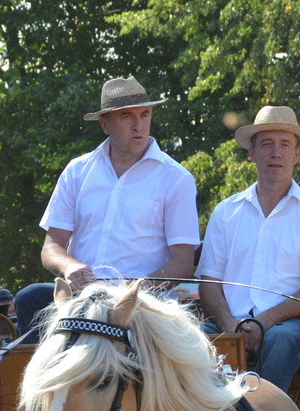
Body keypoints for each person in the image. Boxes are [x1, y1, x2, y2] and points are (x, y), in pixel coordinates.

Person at [15, 75, 200, 332]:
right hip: (82, 298)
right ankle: (37, 373)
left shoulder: (176, 178)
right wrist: (69, 266)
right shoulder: (77, 171)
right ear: (105, 124)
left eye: (144, 115)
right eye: (127, 117)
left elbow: (182, 261)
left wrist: (137, 290)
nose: (139, 125)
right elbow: (51, 246)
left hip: (143, 302)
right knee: (29, 298)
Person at [196, 105, 300, 393]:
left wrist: (263, 322)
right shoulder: (226, 212)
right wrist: (230, 326)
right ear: (252, 153)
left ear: (297, 155)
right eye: (266, 144)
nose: (275, 153)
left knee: (281, 341)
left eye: (284, 145)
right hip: (228, 323)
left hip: (285, 325)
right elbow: (209, 282)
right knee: (192, 339)